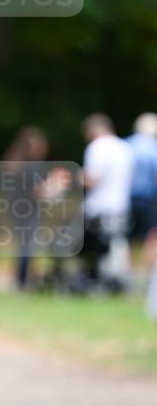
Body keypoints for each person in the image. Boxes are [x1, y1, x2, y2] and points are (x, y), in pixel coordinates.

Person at [80, 113, 133, 290]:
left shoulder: (97, 147)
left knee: (96, 248)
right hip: (121, 204)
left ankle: (96, 281)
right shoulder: (124, 147)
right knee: (117, 244)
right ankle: (117, 282)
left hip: (99, 207)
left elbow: (92, 178)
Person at [3, 127, 49, 289]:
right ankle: (23, 281)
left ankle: (24, 278)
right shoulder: (32, 167)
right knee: (28, 244)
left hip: (17, 209)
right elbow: (38, 191)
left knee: (23, 244)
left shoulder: (15, 164)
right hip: (30, 210)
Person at [125, 112, 157, 245]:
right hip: (148, 197)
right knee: (150, 233)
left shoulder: (127, 144)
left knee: (129, 235)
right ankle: (148, 265)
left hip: (126, 196)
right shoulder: (153, 147)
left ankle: (129, 264)